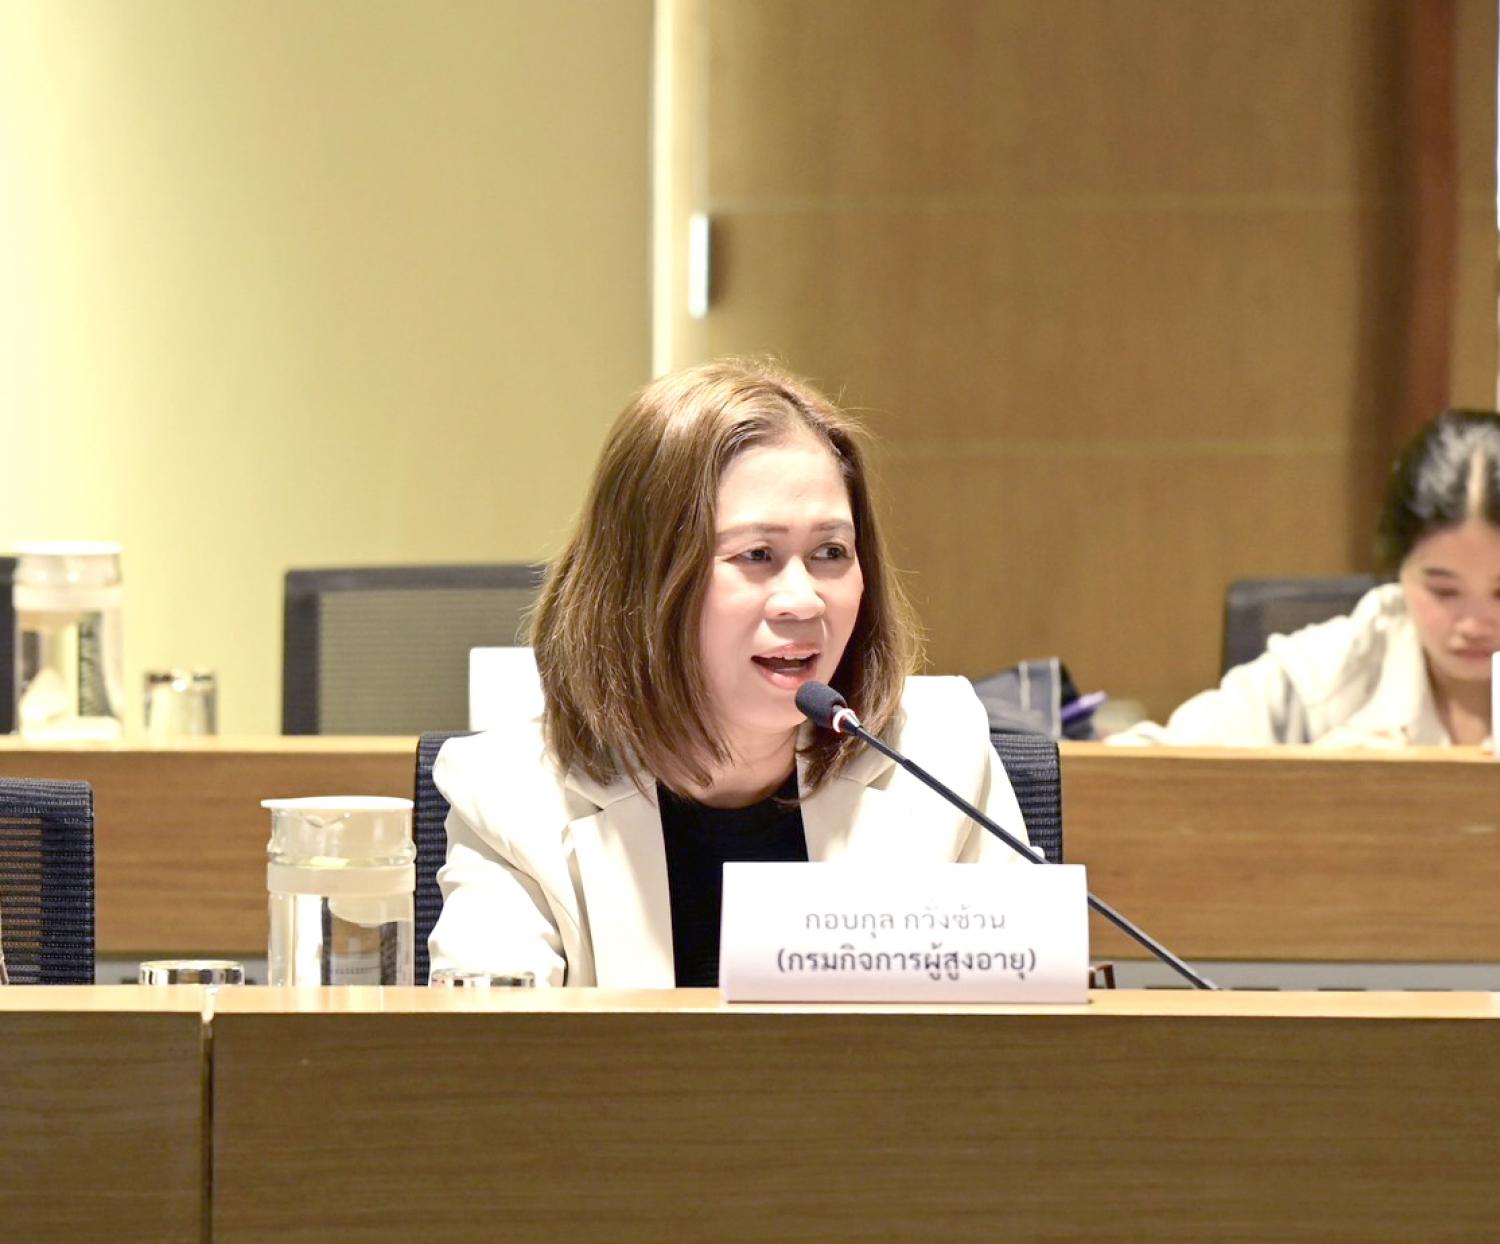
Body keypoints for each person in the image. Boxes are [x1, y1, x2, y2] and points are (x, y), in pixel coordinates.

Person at [429, 359, 1029, 987]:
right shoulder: (509, 795)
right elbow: (493, 1040)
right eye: (756, 555)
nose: (803, 601)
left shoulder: (939, 756)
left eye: (830, 552)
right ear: (641, 581)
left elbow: (1021, 1023)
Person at [1113, 408, 1500, 747]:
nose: (1474, 624)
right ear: (1399, 569)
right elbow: (1140, 762)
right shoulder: (1334, 670)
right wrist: (1313, 775)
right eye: (1444, 591)